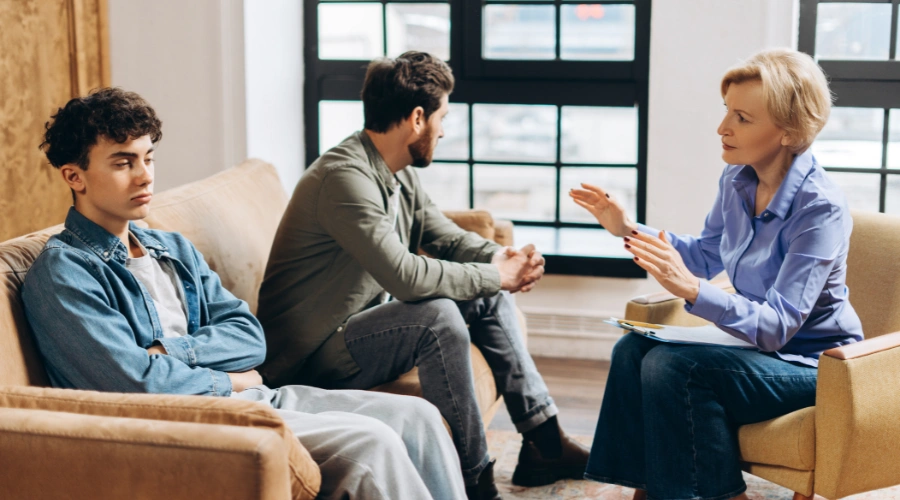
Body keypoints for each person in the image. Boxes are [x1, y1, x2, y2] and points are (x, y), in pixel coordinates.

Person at [21, 87, 466, 500]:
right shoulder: (64, 273)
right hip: (189, 422)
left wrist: (170, 350)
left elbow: (249, 336)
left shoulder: (170, 246)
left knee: (418, 417)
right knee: (374, 443)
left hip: (255, 397)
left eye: (148, 158)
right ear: (74, 176)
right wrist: (229, 378)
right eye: (123, 163)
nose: (144, 177)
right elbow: (135, 384)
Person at [257, 51, 590, 500]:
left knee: (484, 292)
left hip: (357, 326)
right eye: (442, 116)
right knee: (437, 318)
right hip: (310, 355)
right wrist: (496, 276)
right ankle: (476, 483)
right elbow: (405, 276)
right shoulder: (343, 179)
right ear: (417, 118)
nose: (444, 129)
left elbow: (448, 237)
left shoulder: (396, 172)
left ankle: (544, 443)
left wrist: (505, 258)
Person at [570, 48, 864, 500]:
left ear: (788, 131)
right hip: (756, 351)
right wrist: (627, 229)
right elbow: (707, 254)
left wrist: (692, 289)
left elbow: (779, 326)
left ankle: (720, 495)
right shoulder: (737, 180)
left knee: (677, 367)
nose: (722, 127)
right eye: (726, 110)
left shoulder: (819, 208)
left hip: (817, 366)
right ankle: (648, 488)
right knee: (632, 349)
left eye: (742, 118)